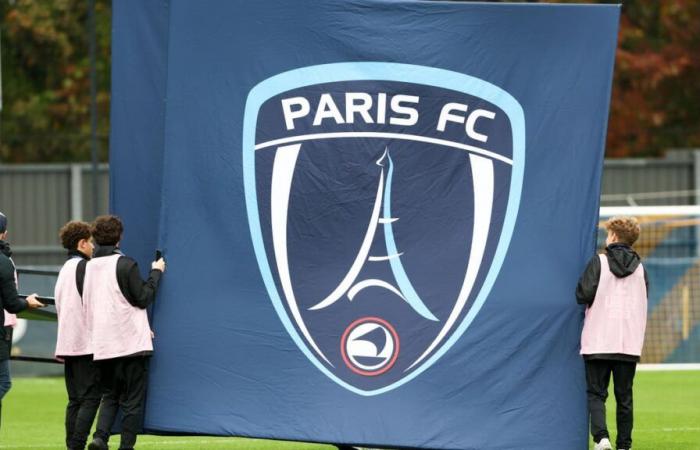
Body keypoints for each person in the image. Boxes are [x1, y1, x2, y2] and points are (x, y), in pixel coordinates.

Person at [84, 215, 165, 450]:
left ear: (96, 239)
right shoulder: (126, 264)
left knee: (110, 396)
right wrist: (156, 272)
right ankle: (126, 446)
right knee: (132, 402)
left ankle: (100, 438)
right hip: (131, 344)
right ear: (119, 237)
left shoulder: (88, 267)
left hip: (103, 345)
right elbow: (142, 298)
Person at [576, 216, 648, 450]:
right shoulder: (640, 269)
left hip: (598, 340)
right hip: (628, 343)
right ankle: (624, 445)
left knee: (596, 394)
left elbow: (583, 295)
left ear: (614, 236)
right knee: (624, 397)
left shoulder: (599, 262)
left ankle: (601, 438)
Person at [54, 221, 99, 450]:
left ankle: (71, 445)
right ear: (82, 243)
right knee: (91, 398)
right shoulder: (85, 268)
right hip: (85, 344)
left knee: (74, 400)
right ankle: (77, 445)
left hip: (67, 343)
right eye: (90, 242)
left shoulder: (64, 269)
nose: (93, 247)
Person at [0, 211, 44, 429]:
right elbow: (11, 303)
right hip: (1, 328)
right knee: (3, 382)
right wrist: (28, 303)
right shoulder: (4, 261)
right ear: (4, 233)